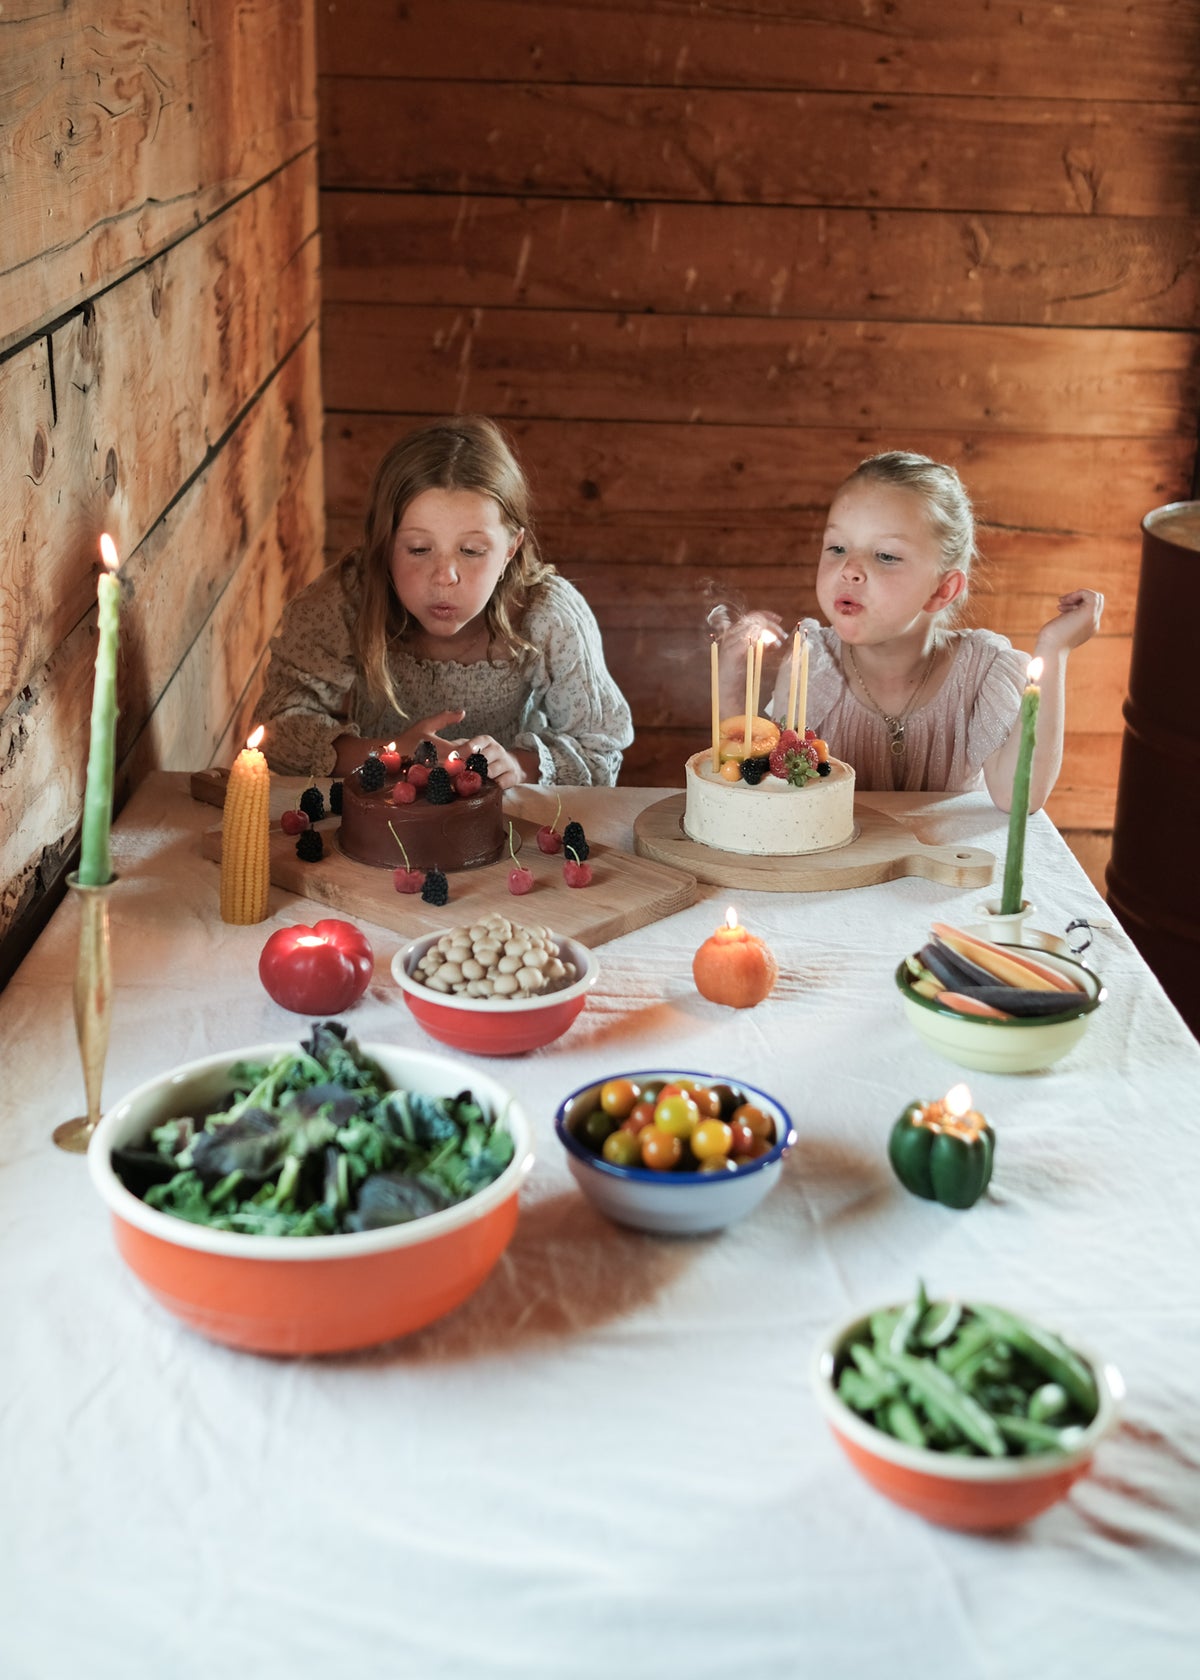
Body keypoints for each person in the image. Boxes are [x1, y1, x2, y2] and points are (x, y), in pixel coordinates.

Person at [259, 416, 633, 788]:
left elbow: (601, 750)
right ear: (385, 544)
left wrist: (518, 768)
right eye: (419, 549)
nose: (444, 576)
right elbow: (277, 729)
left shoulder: (548, 615)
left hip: (508, 826)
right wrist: (391, 753)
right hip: (379, 817)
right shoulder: (349, 597)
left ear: (510, 549)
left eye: (471, 551)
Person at [768, 451, 1104, 809]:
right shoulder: (810, 663)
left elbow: (1018, 797)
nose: (849, 568)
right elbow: (773, 794)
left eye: (885, 555)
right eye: (837, 547)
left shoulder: (982, 672)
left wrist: (1054, 648)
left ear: (943, 590)